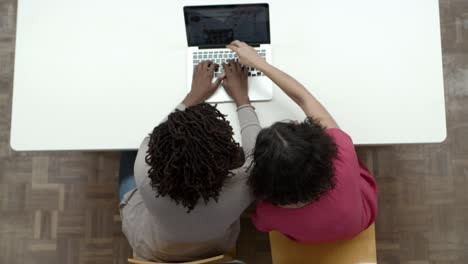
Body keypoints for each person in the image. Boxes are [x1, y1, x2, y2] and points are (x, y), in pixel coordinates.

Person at [226, 40, 378, 242]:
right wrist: (259, 63)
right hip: (358, 222)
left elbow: (260, 224)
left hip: (308, 236)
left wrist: (242, 99)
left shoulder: (268, 213)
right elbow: (304, 98)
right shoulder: (343, 151)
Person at [119, 60, 261, 261]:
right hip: (215, 249)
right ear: (225, 158)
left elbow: (158, 134)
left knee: (125, 152)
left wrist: (193, 96)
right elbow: (256, 152)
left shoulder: (144, 167)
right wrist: (242, 98)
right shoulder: (243, 187)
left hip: (153, 247)